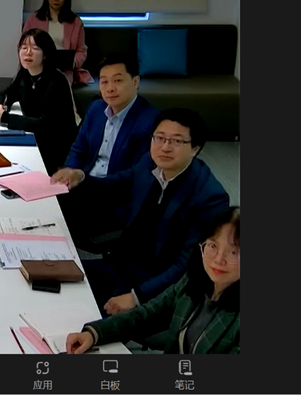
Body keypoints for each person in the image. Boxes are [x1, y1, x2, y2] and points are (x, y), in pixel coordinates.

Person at [52, 108, 229, 317]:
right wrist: (80, 176)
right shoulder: (149, 163)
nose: (165, 147)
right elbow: (113, 185)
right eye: (159, 138)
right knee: (50, 278)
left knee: (78, 320)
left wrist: (136, 296)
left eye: (176, 141)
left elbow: (186, 265)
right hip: (119, 265)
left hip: (155, 285)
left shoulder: (209, 198)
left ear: (195, 148)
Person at [66, 207, 240, 354]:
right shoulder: (194, 280)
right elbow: (148, 315)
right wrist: (94, 333)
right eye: (213, 246)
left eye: (234, 252)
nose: (219, 259)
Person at [53, 53, 160, 239]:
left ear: (135, 82)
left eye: (117, 80)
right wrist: (70, 174)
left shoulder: (150, 122)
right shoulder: (96, 109)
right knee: (41, 203)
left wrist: (85, 180)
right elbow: (79, 149)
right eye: (104, 82)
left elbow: (135, 177)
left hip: (116, 197)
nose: (110, 88)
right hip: (85, 185)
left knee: (57, 222)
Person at [0, 29, 78, 173]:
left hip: (56, 149)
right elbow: (7, 93)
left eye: (35, 48)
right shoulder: (25, 74)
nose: (28, 52)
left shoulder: (56, 82)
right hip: (35, 139)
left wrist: (5, 118)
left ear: (45, 54)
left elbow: (45, 125)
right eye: (24, 47)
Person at [23, 0, 91, 86]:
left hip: (64, 70)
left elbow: (81, 50)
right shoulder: (33, 19)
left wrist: (73, 63)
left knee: (58, 86)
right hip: (38, 67)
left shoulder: (76, 22)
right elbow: (23, 45)